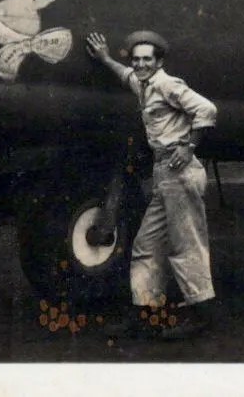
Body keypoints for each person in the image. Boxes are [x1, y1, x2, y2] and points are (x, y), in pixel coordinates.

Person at [85, 29, 219, 339]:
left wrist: (188, 146)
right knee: (146, 246)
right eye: (136, 60)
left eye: (147, 59)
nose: (141, 65)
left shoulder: (166, 84)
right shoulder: (144, 85)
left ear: (159, 61)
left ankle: (202, 314)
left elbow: (207, 110)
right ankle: (143, 314)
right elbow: (126, 75)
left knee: (186, 244)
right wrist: (105, 58)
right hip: (164, 175)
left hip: (180, 173)